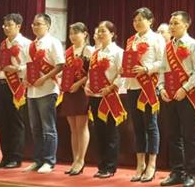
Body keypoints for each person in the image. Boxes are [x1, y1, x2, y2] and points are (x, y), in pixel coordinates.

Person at [158, 11, 195, 187]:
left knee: (189, 136)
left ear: (186, 24)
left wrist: (185, 88)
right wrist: (161, 87)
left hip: (187, 96)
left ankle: (191, 173)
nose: (172, 26)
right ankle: (177, 172)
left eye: (176, 23)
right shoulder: (168, 47)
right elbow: (162, 69)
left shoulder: (194, 44)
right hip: (169, 96)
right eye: (170, 23)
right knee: (173, 135)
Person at [124, 7, 165, 182]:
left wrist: (147, 68)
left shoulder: (157, 39)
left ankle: (152, 164)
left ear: (150, 21)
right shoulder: (131, 40)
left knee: (151, 125)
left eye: (141, 19)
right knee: (137, 127)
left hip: (148, 86)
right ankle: (140, 164)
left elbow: (163, 62)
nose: (137, 23)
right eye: (135, 20)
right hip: (132, 86)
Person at [23, 13, 65, 174]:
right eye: (33, 24)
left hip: (47, 89)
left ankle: (49, 161)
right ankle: (38, 160)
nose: (35, 26)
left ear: (47, 25)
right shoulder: (31, 45)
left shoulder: (53, 42)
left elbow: (60, 64)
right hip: (32, 91)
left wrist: (44, 78)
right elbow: (28, 66)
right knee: (35, 128)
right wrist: (25, 79)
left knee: (48, 128)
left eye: (38, 24)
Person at [86, 20, 126, 179]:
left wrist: (111, 87)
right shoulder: (95, 53)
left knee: (111, 132)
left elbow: (122, 73)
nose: (100, 34)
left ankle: (110, 166)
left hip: (110, 97)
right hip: (95, 96)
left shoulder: (118, 52)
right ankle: (101, 165)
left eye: (104, 31)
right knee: (99, 132)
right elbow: (90, 73)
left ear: (112, 34)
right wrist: (87, 86)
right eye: (99, 31)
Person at [0, 13, 31, 168]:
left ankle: (16, 157)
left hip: (16, 86)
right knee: (3, 122)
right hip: (2, 83)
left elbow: (31, 65)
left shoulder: (26, 43)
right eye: (5, 25)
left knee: (15, 122)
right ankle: (5, 156)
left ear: (18, 26)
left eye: (10, 25)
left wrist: (18, 68)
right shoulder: (3, 43)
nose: (6, 28)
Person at [58, 22, 94, 176]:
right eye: (71, 33)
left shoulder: (89, 50)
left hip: (82, 91)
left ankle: (81, 160)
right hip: (69, 91)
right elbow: (65, 71)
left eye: (76, 33)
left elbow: (92, 73)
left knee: (81, 126)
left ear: (84, 34)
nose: (72, 36)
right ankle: (74, 159)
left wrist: (78, 84)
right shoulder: (68, 52)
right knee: (73, 128)